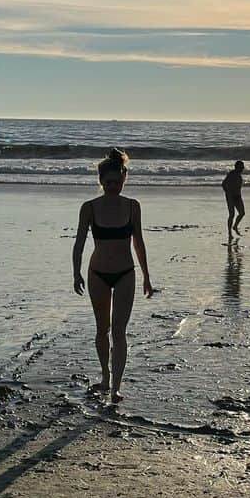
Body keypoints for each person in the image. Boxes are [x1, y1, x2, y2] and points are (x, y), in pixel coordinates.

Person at [72, 148, 155, 405]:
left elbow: (139, 243)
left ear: (124, 180)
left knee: (119, 331)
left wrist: (146, 276)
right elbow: (79, 244)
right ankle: (105, 376)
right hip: (97, 274)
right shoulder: (89, 208)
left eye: (117, 182)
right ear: (100, 182)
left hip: (125, 274)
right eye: (107, 183)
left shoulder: (132, 207)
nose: (112, 187)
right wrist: (76, 273)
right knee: (102, 329)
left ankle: (115, 387)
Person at [222, 160, 245, 237]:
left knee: (242, 213)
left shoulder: (239, 175)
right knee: (232, 214)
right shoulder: (231, 174)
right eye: (242, 167)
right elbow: (223, 184)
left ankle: (235, 226)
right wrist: (228, 193)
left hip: (238, 196)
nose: (243, 168)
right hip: (230, 197)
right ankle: (229, 233)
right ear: (237, 167)